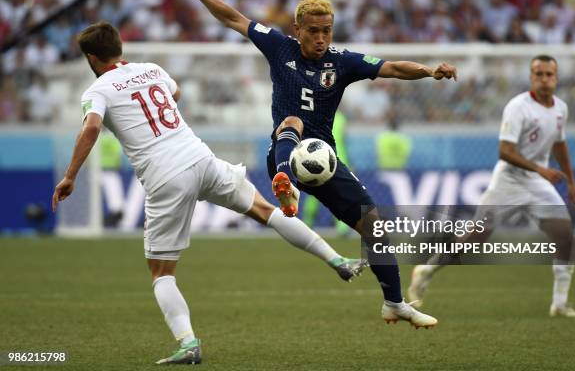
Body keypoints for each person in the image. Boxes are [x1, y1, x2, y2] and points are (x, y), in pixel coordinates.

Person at [51, 22, 368, 365]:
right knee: (265, 210)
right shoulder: (151, 69)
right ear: (119, 46)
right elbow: (174, 95)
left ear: (91, 57)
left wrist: (70, 176)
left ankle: (188, 343)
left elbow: (93, 125)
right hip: (200, 158)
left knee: (161, 272)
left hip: (165, 176)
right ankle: (338, 259)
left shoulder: (96, 91)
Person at [172, 0, 458, 328]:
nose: (321, 38)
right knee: (292, 122)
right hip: (287, 152)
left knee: (376, 227)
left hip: (324, 161)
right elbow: (233, 18)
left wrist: (430, 71)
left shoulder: (343, 61)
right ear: (298, 28)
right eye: (313, 30)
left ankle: (395, 302)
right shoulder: (279, 47)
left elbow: (393, 68)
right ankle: (285, 183)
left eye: (326, 31)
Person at [409, 55, 575, 318]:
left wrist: (570, 180)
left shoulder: (561, 108)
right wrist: (541, 169)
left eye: (549, 74)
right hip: (508, 181)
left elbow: (560, 143)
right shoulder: (518, 107)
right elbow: (505, 151)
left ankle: (559, 304)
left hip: (537, 183)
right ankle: (427, 270)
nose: (544, 79)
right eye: (539, 74)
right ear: (531, 77)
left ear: (556, 78)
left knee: (565, 235)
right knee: (474, 239)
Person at [303, 110, 351, 237]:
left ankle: (307, 222)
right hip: (338, 157)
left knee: (315, 191)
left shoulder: (316, 114)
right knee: (339, 193)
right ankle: (342, 228)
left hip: (319, 156)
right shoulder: (341, 117)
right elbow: (344, 140)